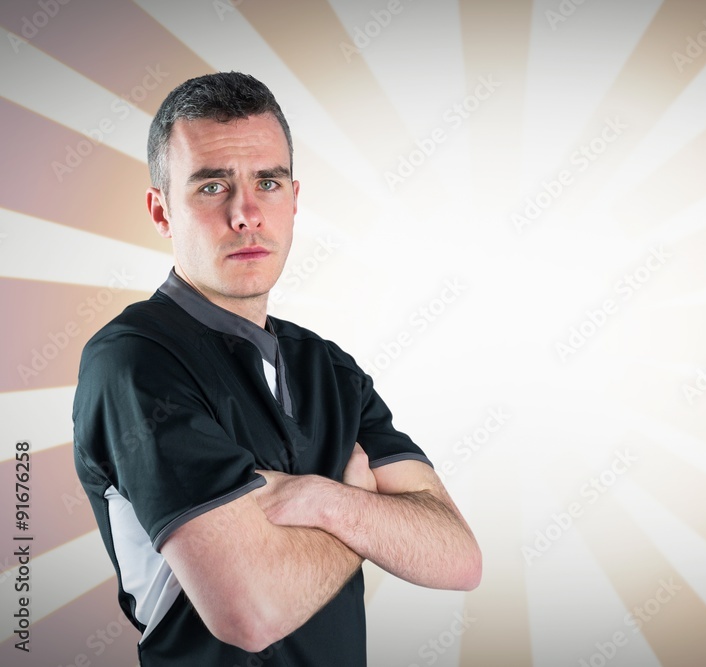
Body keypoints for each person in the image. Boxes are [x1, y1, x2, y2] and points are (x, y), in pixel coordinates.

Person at [72, 72, 482, 666]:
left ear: (293, 200)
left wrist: (324, 502)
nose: (246, 213)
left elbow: (457, 557)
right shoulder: (135, 363)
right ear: (161, 211)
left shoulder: (329, 369)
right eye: (212, 187)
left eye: (267, 182)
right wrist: (366, 509)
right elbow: (251, 612)